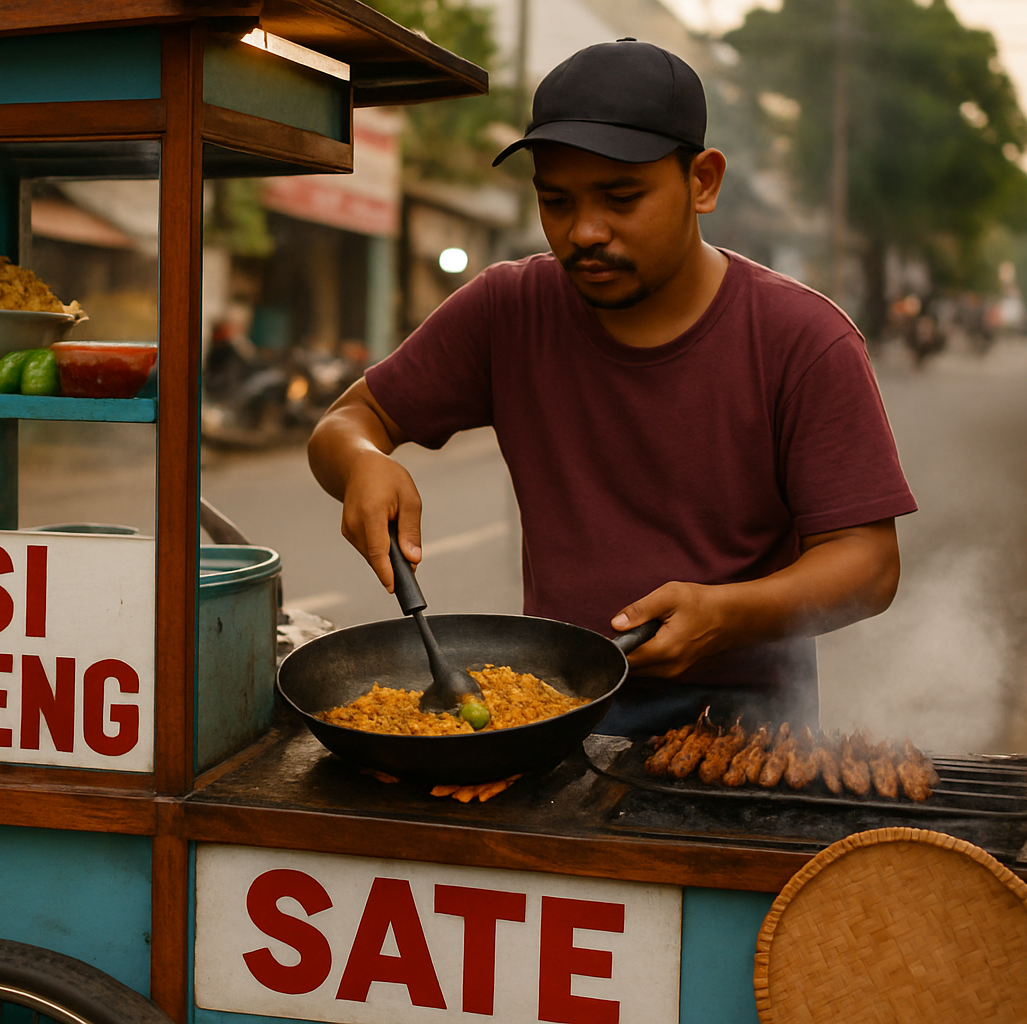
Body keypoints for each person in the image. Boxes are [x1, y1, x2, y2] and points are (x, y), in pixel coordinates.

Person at [306, 39, 918, 735]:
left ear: (703, 181)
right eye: (556, 202)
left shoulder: (803, 339)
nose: (584, 232)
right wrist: (361, 460)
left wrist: (725, 614)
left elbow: (868, 565)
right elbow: (345, 420)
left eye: (621, 198)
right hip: (556, 713)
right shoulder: (509, 309)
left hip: (749, 726)